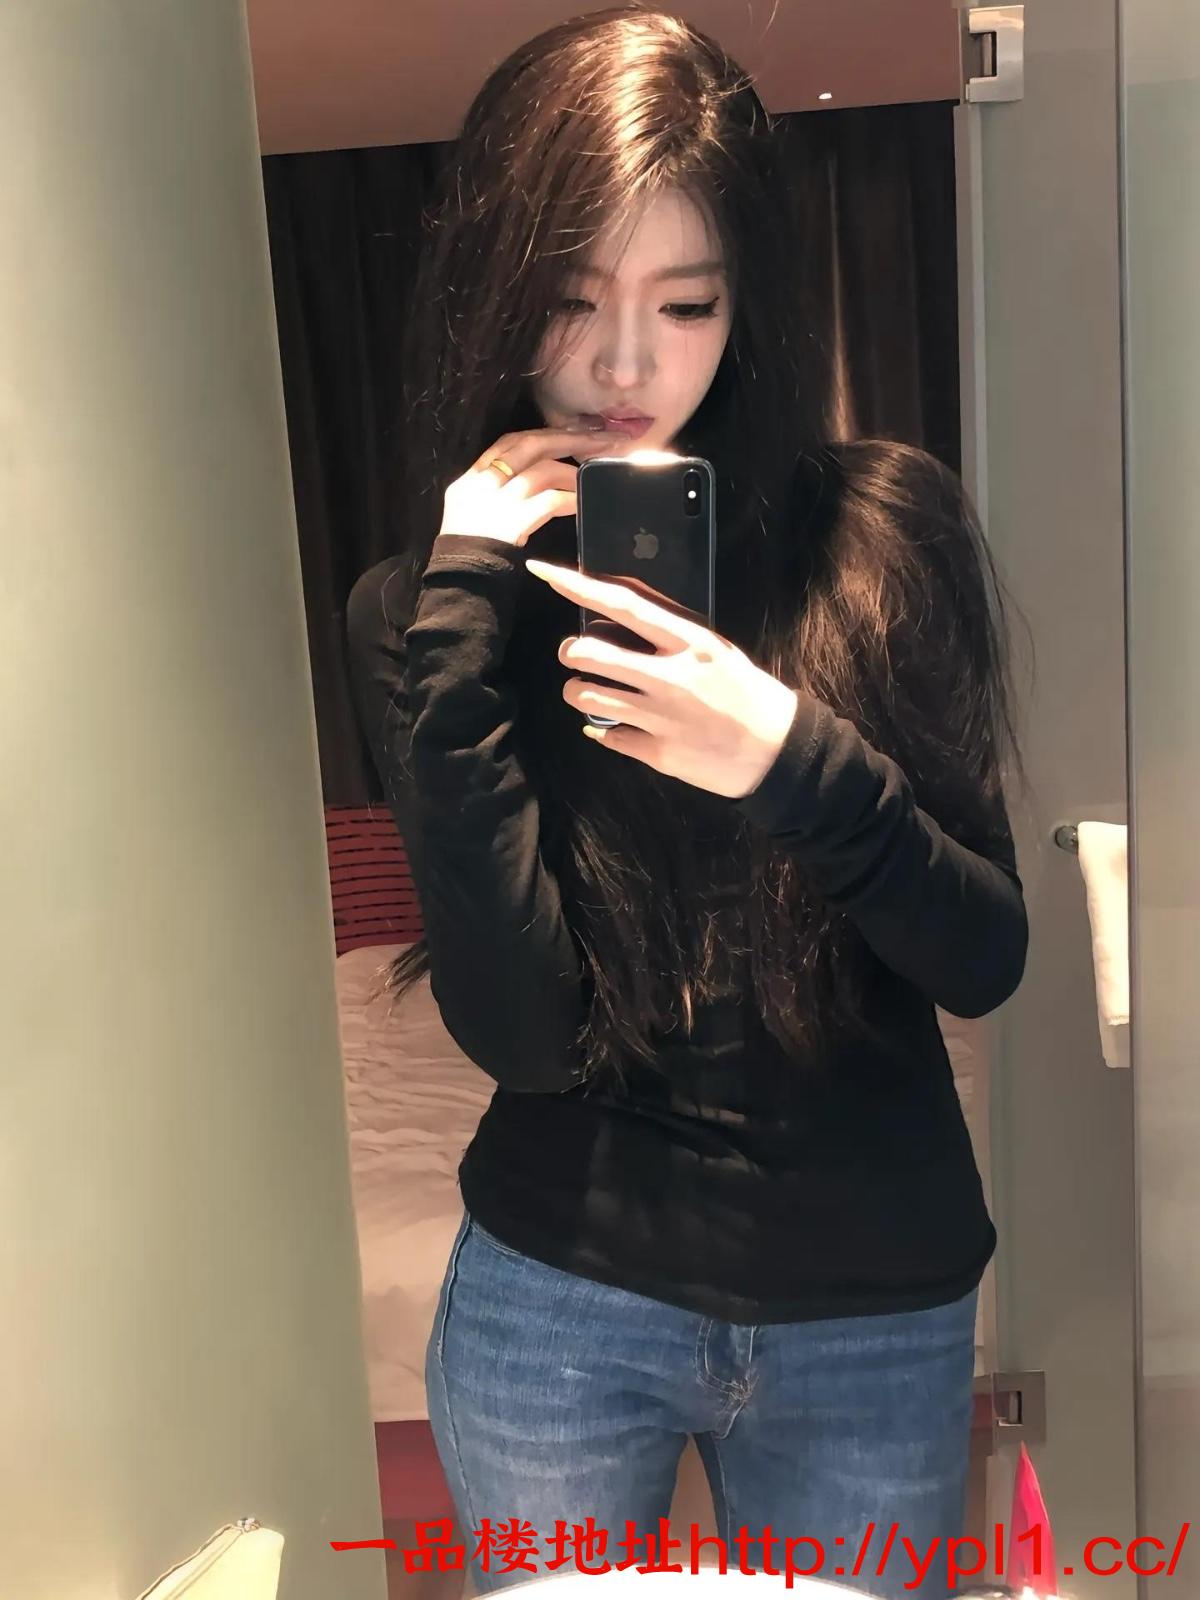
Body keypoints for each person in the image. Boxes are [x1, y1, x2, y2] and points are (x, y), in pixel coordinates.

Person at [345, 8, 1031, 1599]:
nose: (625, 364)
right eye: (569, 298)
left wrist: (784, 756)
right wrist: (463, 618)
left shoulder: (878, 533)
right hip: (558, 1300)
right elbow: (521, 1034)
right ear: (493, 293)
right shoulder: (430, 608)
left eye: (687, 301)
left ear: (749, 302)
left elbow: (984, 956)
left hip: (873, 1306)